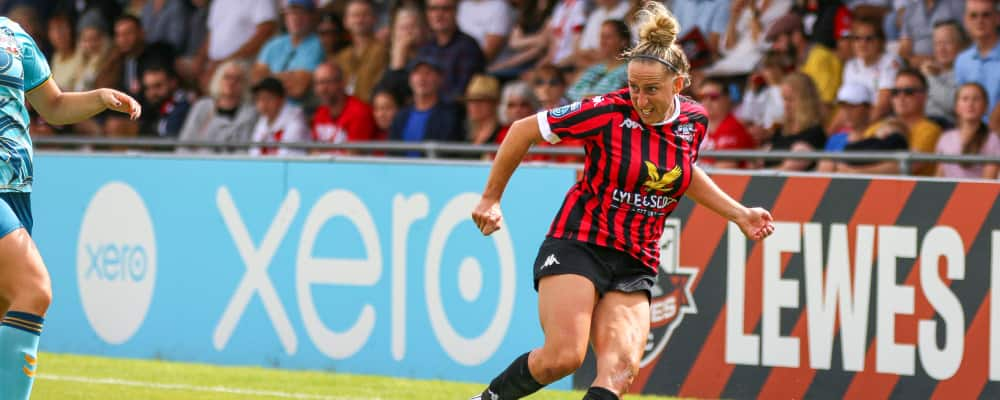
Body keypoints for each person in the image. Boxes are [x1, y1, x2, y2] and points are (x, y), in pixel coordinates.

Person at [468, 3, 775, 400]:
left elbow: (680, 171)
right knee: (563, 358)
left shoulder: (695, 121)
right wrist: (491, 198)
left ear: (678, 85)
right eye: (633, 87)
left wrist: (739, 213)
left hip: (636, 258)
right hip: (580, 242)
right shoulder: (607, 111)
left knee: (620, 371)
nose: (640, 99)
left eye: (652, 90)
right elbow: (523, 130)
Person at [0, 16, 141, 400]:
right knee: (34, 291)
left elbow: (54, 105)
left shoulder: (13, 34)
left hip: (17, 190)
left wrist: (98, 98)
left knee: (9, 309)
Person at [935, 82, 1000, 179]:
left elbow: (988, 180)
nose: (970, 104)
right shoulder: (945, 138)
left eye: (976, 99)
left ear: (985, 106)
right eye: (965, 99)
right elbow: (939, 177)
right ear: (956, 107)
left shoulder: (992, 140)